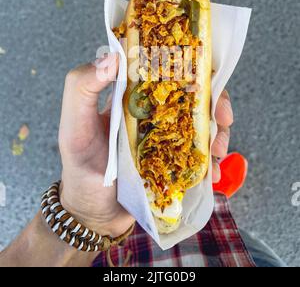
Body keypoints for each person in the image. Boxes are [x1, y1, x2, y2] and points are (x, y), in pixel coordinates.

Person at [0, 54, 285, 267]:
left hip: (111, 253)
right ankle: (215, 198)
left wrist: (85, 216)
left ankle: (208, 196)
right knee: (245, 248)